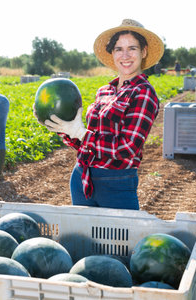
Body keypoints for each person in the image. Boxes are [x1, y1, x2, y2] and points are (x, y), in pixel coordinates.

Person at [36, 19, 163, 210]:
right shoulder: (104, 91)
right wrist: (65, 129)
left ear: (143, 52)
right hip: (82, 178)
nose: (125, 55)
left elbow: (126, 148)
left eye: (132, 48)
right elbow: (87, 145)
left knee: (121, 239)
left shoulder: (143, 92)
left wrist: (82, 133)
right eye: (119, 49)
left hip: (116, 184)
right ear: (112, 53)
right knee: (84, 240)